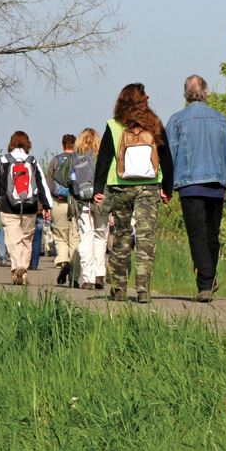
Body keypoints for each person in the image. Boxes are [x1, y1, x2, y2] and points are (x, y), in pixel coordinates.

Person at [166, 75, 226, 303]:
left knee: (197, 235)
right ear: (206, 92)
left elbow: (169, 156)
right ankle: (208, 278)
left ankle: (205, 283)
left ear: (185, 94)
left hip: (189, 185)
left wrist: (165, 186)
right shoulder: (221, 120)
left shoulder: (176, 120)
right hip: (216, 185)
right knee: (212, 234)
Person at [93, 82, 174, 304]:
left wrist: (98, 189)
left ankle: (119, 288)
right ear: (141, 100)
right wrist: (168, 188)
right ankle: (143, 290)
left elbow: (104, 158)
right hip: (148, 187)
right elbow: (166, 157)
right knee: (146, 239)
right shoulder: (154, 124)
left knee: (122, 236)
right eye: (145, 94)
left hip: (121, 186)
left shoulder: (114, 125)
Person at [0, 131, 54, 285]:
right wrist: (47, 205)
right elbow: (42, 184)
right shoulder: (32, 161)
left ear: (11, 143)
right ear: (27, 144)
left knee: (12, 239)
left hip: (9, 207)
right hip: (30, 207)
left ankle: (17, 266)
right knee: (26, 240)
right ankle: (23, 269)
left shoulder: (3, 160)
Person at [72, 128, 109, 290]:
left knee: (85, 238)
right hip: (102, 201)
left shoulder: (75, 158)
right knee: (101, 237)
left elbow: (66, 180)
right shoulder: (102, 157)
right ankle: (100, 274)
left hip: (82, 203)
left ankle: (87, 278)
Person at [46, 134, 81, 285]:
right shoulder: (80, 160)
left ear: (63, 145)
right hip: (76, 204)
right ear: (76, 144)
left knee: (60, 236)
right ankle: (74, 277)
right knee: (75, 240)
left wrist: (46, 206)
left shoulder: (55, 160)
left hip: (58, 203)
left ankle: (63, 261)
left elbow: (48, 184)